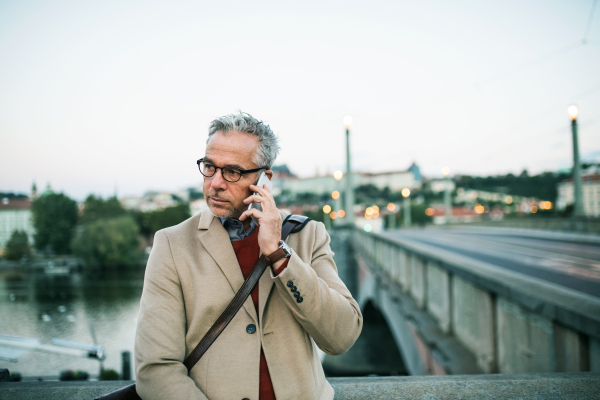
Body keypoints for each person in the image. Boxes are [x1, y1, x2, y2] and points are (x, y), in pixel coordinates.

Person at [134, 111, 363, 400]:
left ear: (265, 180)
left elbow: (342, 337)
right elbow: (155, 369)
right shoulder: (172, 245)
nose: (215, 182)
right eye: (209, 167)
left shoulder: (307, 235)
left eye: (232, 172)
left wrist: (280, 256)